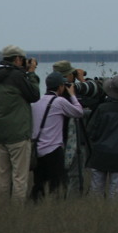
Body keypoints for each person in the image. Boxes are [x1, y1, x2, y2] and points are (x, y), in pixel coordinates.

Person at [0, 45, 41, 203]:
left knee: (2, 177)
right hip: (18, 134)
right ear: (18, 59)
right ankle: (17, 213)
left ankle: (1, 210)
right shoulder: (18, 77)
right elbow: (34, 95)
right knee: (19, 177)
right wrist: (31, 73)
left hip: (0, 133)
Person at [30, 71, 84, 202]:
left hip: (37, 150)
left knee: (40, 183)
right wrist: (72, 95)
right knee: (57, 185)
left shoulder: (36, 102)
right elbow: (78, 112)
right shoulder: (59, 101)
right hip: (53, 150)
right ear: (60, 87)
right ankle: (55, 208)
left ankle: (36, 206)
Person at [52, 59, 93, 197]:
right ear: (68, 76)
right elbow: (90, 100)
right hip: (73, 142)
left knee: (59, 176)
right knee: (75, 176)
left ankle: (59, 199)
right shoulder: (70, 95)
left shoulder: (53, 93)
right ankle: (72, 201)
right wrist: (82, 80)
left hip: (55, 140)